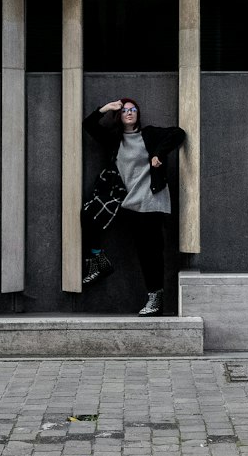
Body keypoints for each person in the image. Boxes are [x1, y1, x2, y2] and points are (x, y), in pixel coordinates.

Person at [80, 98, 186, 316]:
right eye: (125, 110)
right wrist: (106, 108)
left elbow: (178, 133)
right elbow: (89, 125)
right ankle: (98, 260)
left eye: (133, 109)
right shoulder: (115, 140)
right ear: (119, 116)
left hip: (151, 199)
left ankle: (155, 300)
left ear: (138, 114)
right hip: (128, 202)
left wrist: (158, 153)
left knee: (151, 252)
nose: (129, 113)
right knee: (89, 214)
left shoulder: (149, 134)